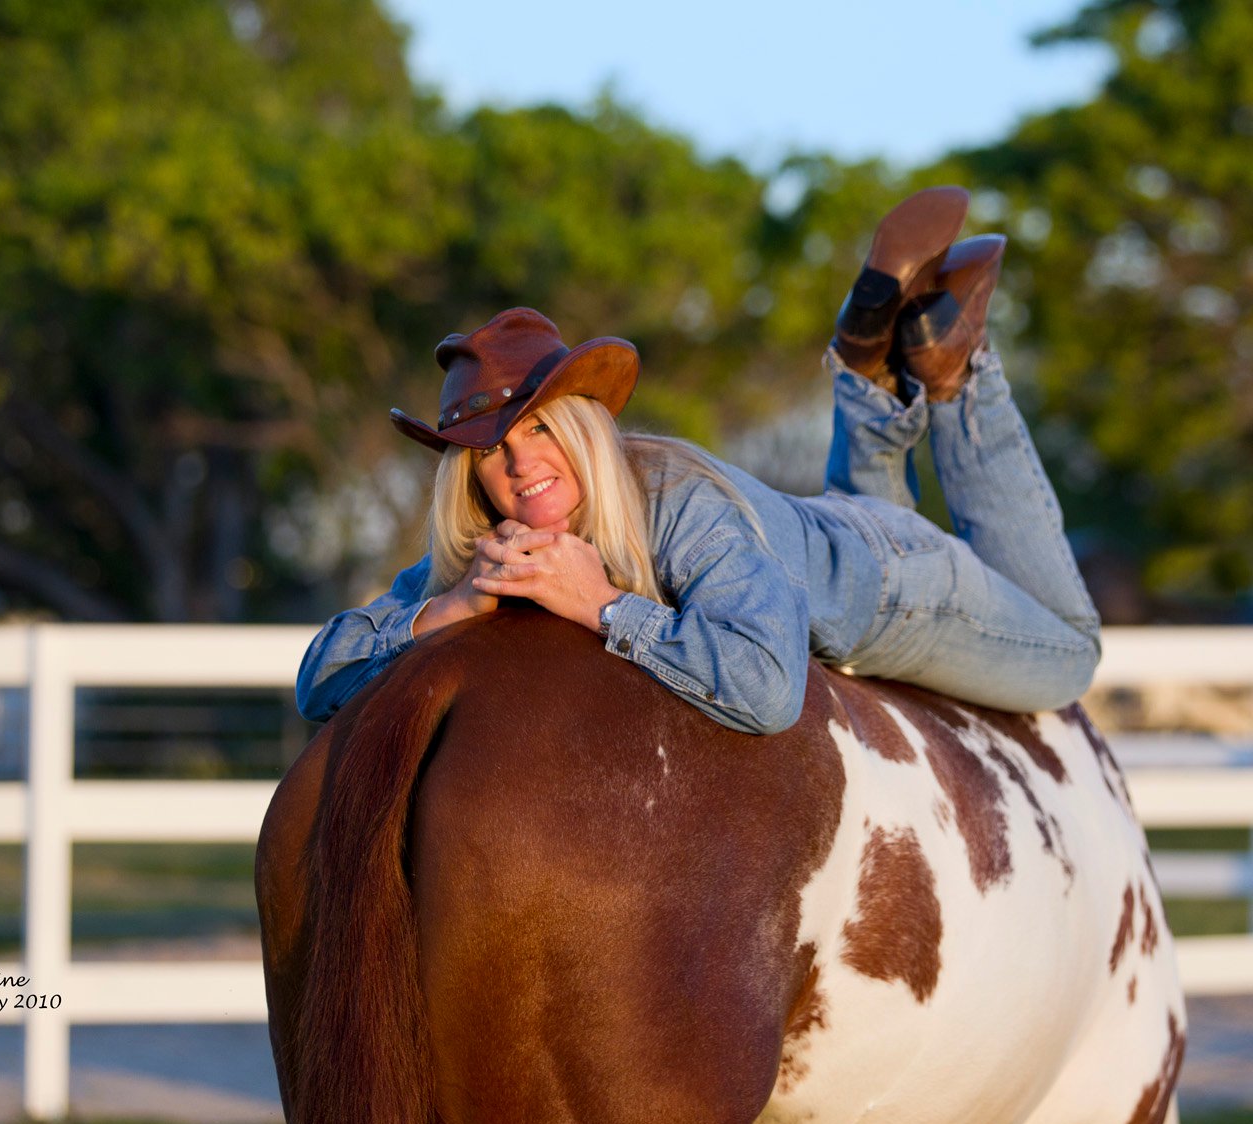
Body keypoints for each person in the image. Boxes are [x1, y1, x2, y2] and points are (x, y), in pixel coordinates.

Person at [295, 187, 1101, 735]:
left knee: (1070, 654)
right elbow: (318, 681)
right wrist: (457, 605)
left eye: (539, 431)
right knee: (860, 519)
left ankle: (959, 379)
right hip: (828, 536)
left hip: (896, 586)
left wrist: (605, 606)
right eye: (489, 451)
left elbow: (769, 688)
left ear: (582, 430)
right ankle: (865, 376)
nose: (518, 465)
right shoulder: (491, 546)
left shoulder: (675, 502)